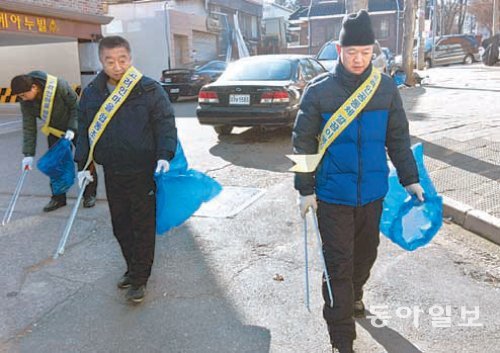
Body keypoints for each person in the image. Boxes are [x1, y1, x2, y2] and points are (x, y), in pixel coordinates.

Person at [292, 10, 424, 353]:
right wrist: (305, 189)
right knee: (338, 264)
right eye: (352, 52)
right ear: (339, 50)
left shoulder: (383, 88)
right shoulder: (318, 92)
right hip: (333, 195)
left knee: (365, 257)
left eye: (365, 52)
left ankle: (355, 295)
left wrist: (410, 179)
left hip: (372, 193)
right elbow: (303, 141)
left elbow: (398, 137)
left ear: (373, 51)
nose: (358, 59)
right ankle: (341, 339)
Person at [75, 36, 177, 304]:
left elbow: (165, 124)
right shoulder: (92, 92)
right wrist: (83, 164)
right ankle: (132, 268)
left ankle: (139, 279)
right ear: (101, 61)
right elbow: (85, 130)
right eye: (110, 61)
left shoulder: (148, 89)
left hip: (142, 171)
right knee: (121, 226)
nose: (117, 66)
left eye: (122, 60)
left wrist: (165, 154)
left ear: (130, 59)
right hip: (113, 171)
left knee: (142, 226)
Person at [10, 71, 98, 212]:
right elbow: (29, 126)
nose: (23, 99)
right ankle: (58, 197)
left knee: (84, 159)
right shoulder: (25, 101)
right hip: (54, 130)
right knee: (55, 164)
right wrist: (28, 154)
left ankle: (89, 194)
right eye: (20, 97)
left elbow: (76, 108)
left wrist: (72, 128)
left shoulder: (58, 85)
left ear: (34, 87)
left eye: (23, 95)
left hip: (76, 126)